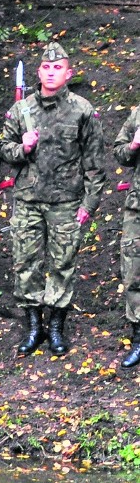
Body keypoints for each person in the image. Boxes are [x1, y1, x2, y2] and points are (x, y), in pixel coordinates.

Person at [0, 41, 105, 357]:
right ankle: (34, 327)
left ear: (68, 73)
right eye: (46, 67)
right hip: (28, 201)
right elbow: (4, 150)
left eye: (57, 67)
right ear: (39, 71)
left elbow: (95, 163)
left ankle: (56, 327)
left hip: (66, 204)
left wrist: (89, 204)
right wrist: (23, 148)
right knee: (26, 264)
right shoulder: (21, 110)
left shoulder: (82, 111)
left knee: (63, 265)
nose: (51, 72)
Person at [112, 107, 140, 369]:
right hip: (138, 208)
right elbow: (119, 152)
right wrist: (134, 144)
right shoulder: (138, 114)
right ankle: (139, 336)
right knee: (133, 271)